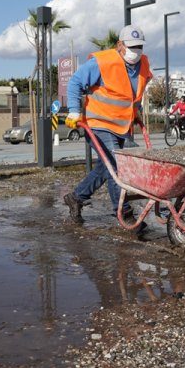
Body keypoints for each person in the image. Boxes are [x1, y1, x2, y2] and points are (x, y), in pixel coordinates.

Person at [63, 25, 153, 228]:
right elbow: (75, 82)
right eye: (131, 46)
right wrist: (75, 111)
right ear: (120, 45)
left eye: (139, 46)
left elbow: (135, 93)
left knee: (107, 167)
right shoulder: (103, 62)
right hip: (99, 123)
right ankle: (123, 212)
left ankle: (76, 197)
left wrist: (136, 110)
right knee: (117, 165)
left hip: (123, 125)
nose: (136, 50)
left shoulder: (144, 64)